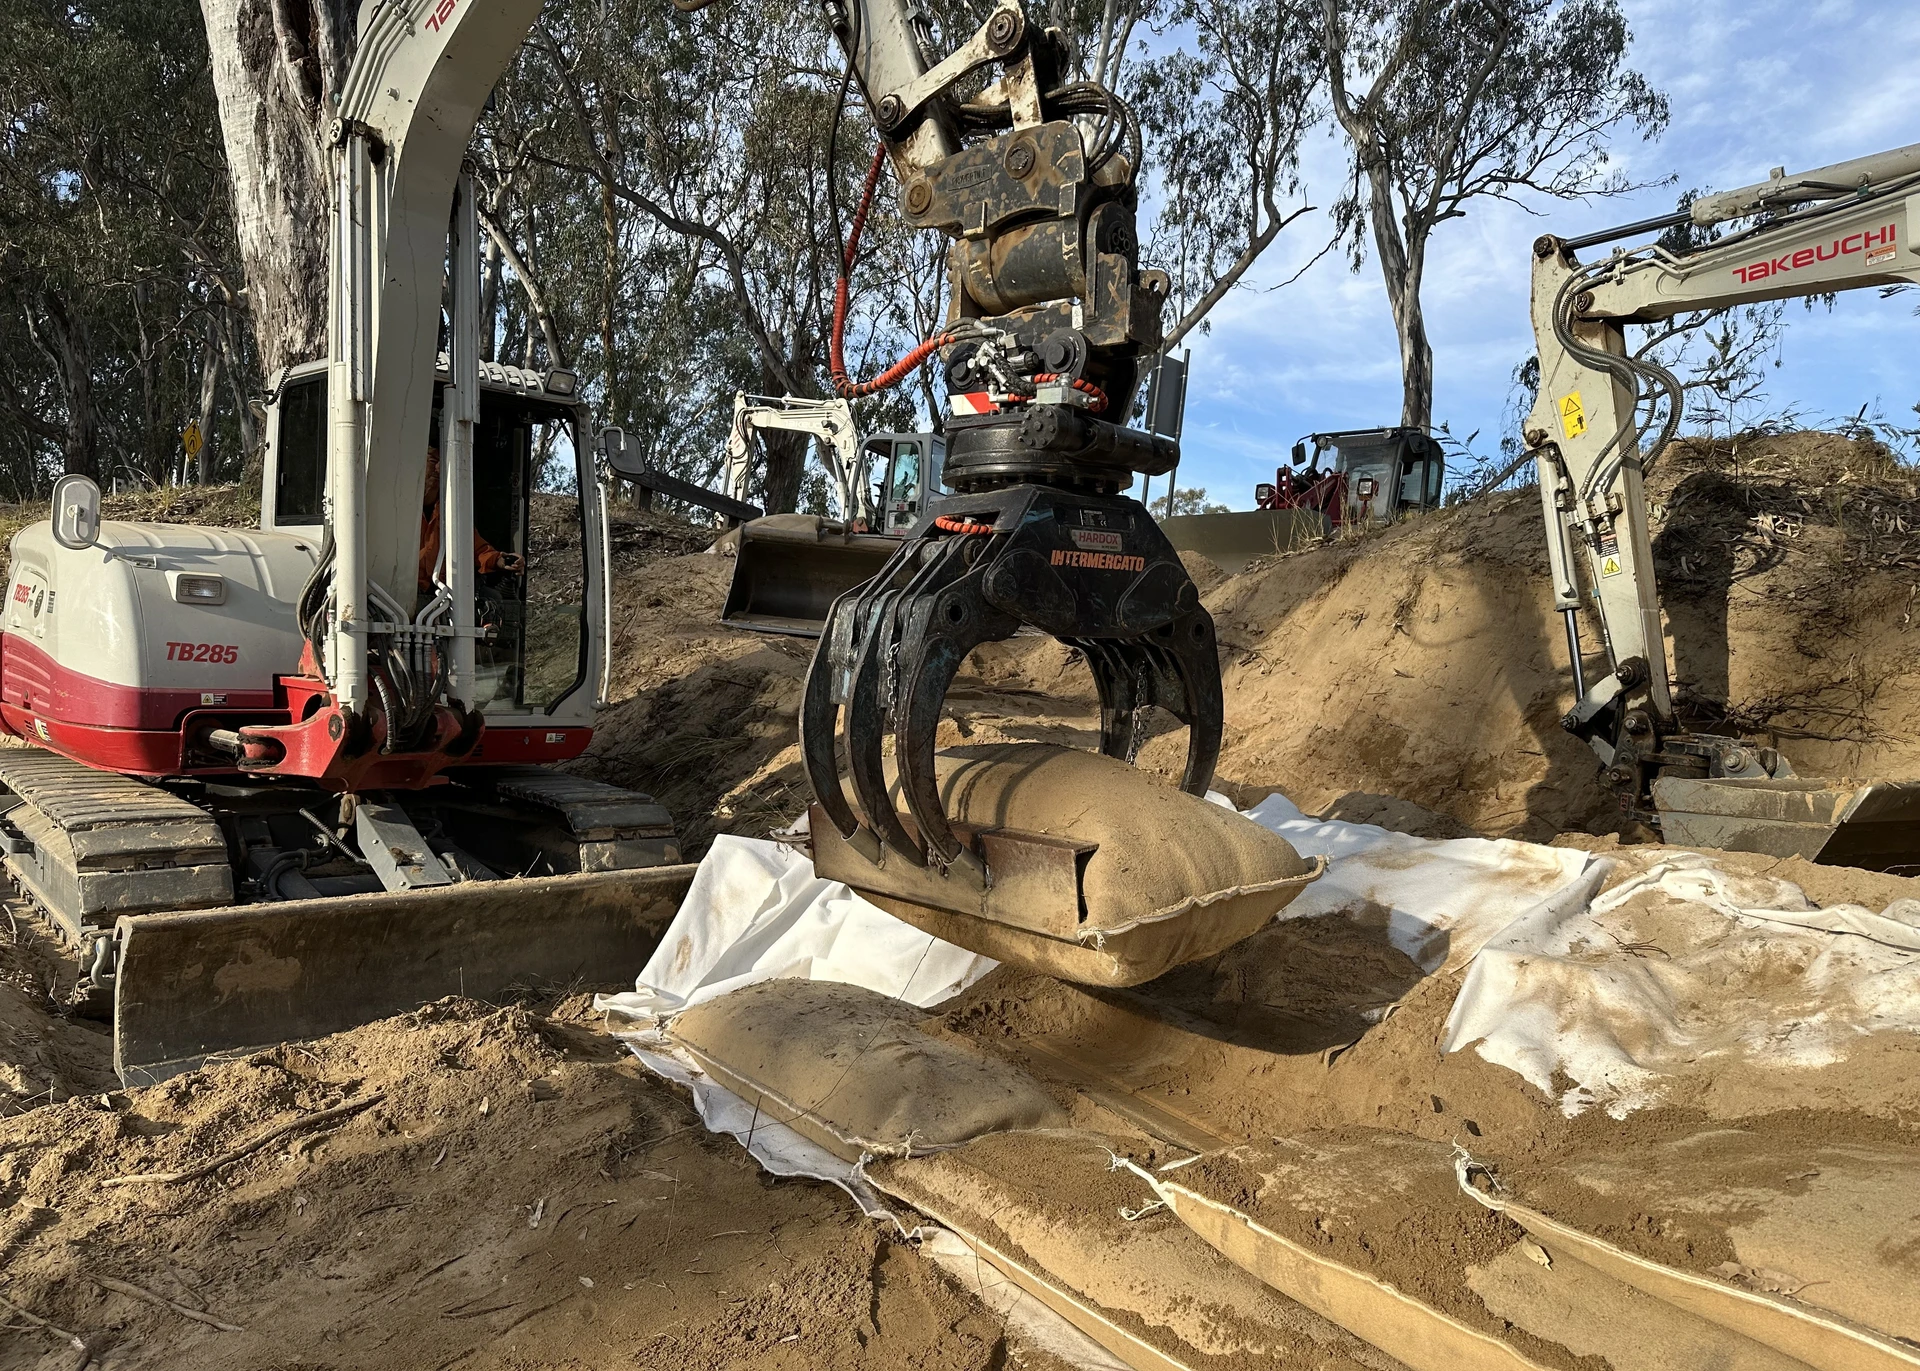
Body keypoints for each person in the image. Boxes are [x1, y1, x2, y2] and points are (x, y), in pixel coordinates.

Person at [419, 445, 522, 593]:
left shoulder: (450, 511)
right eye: (433, 460)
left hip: (442, 594)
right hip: (402, 595)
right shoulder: (396, 510)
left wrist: (501, 560)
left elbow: (476, 549)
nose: (438, 468)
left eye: (442, 462)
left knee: (492, 598)